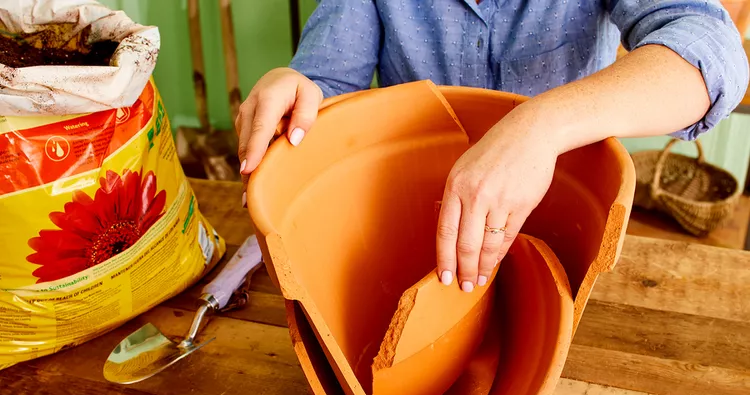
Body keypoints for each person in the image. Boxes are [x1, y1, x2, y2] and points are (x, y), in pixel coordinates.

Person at [236, 0, 748, 293]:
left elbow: (710, 50)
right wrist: (296, 88)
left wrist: (540, 124)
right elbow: (326, 87)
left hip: (558, 230)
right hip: (414, 228)